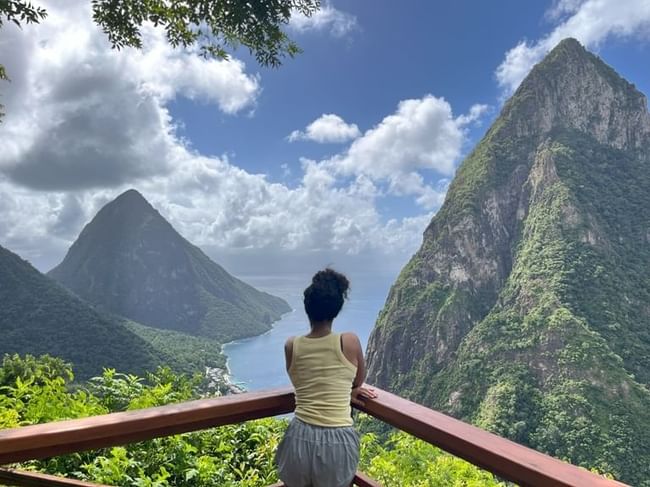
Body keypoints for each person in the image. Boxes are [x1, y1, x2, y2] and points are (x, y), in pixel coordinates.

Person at [275, 268, 378, 487]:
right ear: (336, 310)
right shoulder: (348, 342)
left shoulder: (291, 345)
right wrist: (350, 391)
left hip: (298, 436)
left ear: (307, 308)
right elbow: (358, 381)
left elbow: (301, 383)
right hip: (337, 439)